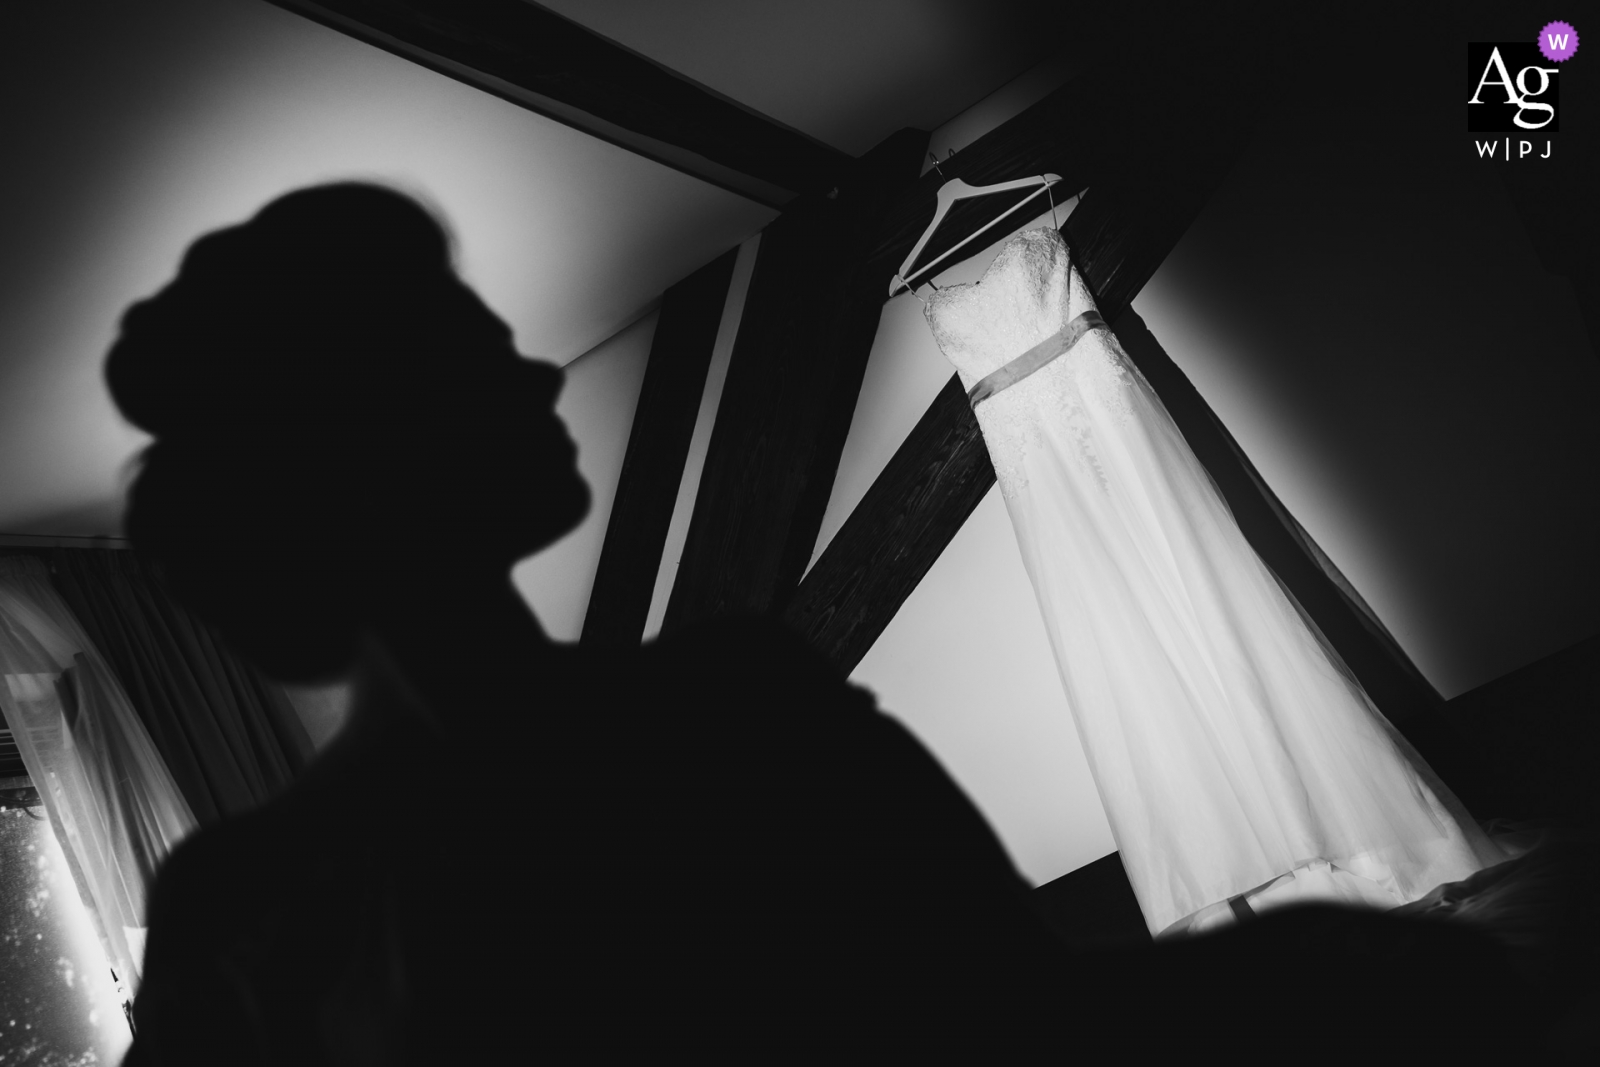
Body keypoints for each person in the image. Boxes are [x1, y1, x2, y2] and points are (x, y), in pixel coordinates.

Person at [108, 184, 1073, 1063]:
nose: (541, 379)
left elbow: (1016, 1001)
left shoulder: (239, 894)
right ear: (368, 457)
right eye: (481, 358)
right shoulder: (730, 709)